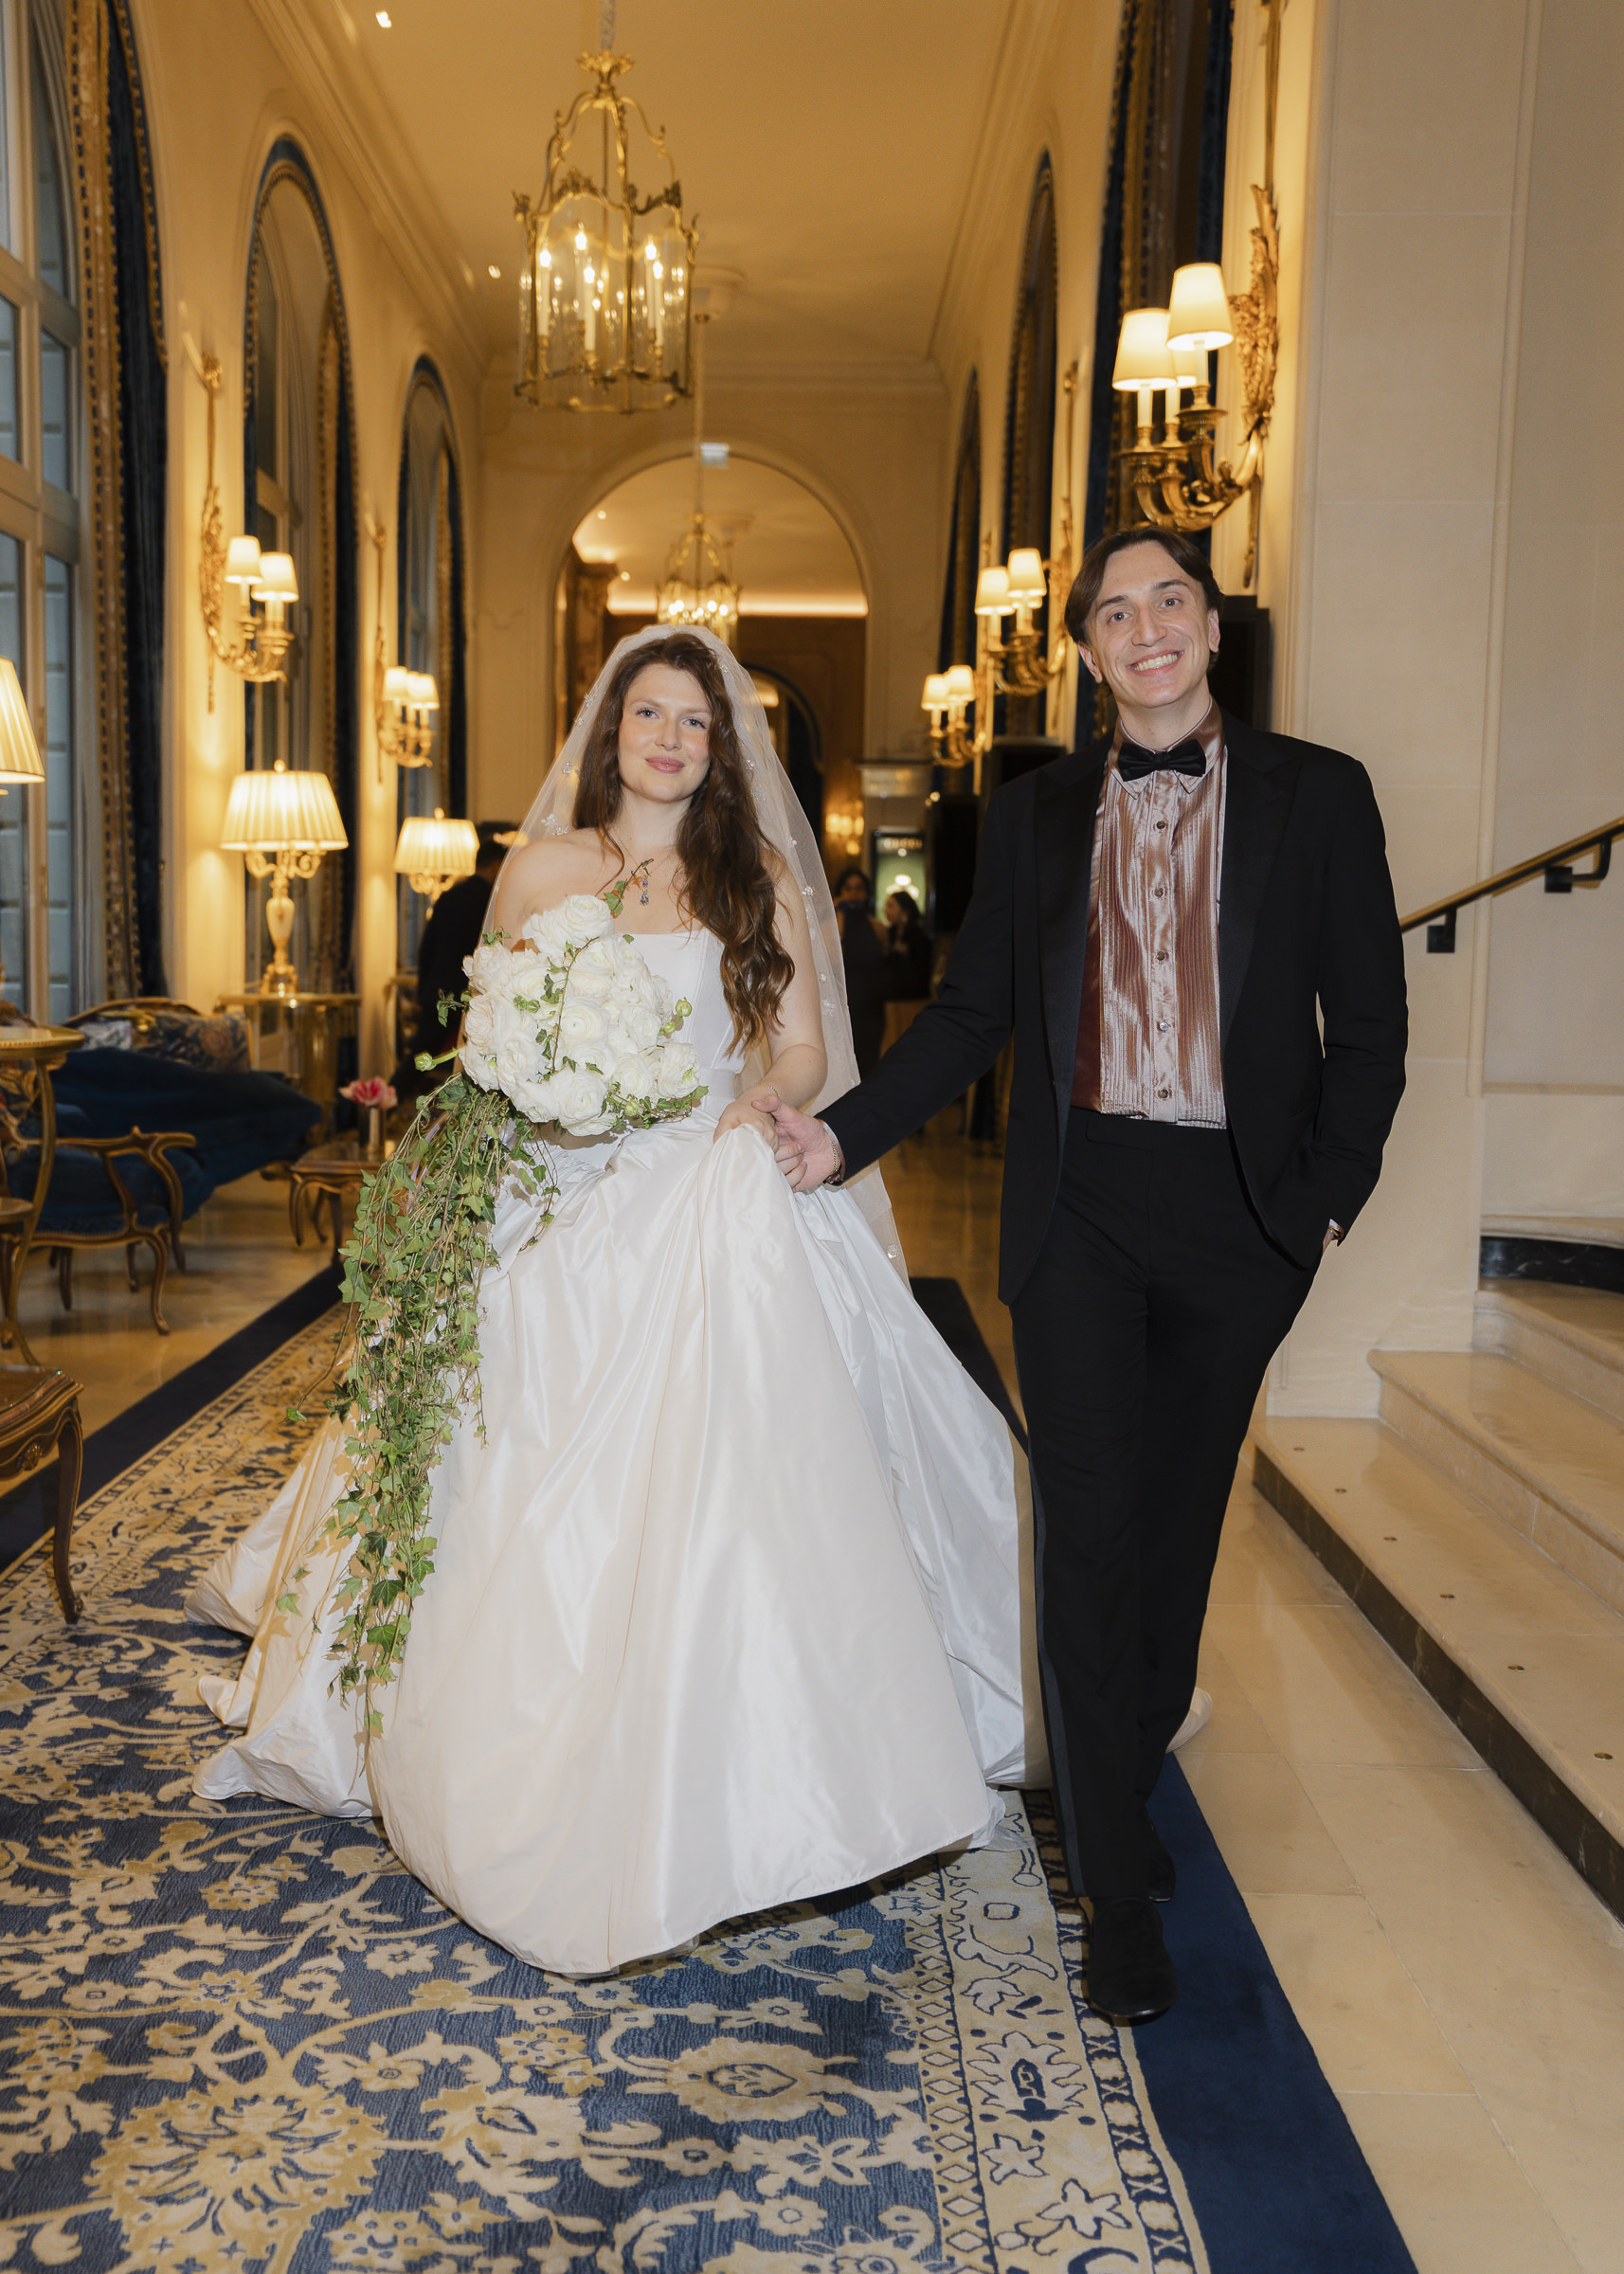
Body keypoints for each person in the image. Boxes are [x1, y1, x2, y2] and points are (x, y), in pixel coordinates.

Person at [187, 627, 1039, 1977]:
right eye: (651, 714)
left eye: (696, 725)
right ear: (610, 730)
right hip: (559, 1189)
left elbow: (805, 1040)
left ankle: (768, 1739)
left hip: (705, 1171)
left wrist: (772, 1099)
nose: (670, 740)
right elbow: (487, 1044)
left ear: (719, 749)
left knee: (751, 1365)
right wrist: (533, 1099)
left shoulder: (753, 871)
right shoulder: (546, 868)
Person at [768, 529, 1407, 2026]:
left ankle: (1116, 1770)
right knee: (1085, 1522)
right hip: (1081, 1213)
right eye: (1112, 613)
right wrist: (839, 1138)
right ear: (1086, 650)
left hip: (1240, 1213)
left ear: (1209, 628)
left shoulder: (1321, 794)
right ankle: (1114, 1887)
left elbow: (1368, 1026)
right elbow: (971, 1011)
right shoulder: (1039, 809)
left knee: (1181, 1527)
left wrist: (1313, 1211)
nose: (1144, 631)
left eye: (1166, 601)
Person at [395, 821, 516, 1096]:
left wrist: (423, 990)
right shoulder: (491, 901)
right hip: (465, 994)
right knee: (462, 1062)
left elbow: (426, 948)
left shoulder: (449, 896)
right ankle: (389, 1099)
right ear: (497, 866)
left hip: (436, 989)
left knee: (420, 1057)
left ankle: (389, 1099)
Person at [833, 865, 888, 1075]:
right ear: (841, 891)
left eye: (859, 888)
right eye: (849, 888)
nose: (854, 893)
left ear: (866, 893)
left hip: (872, 1005)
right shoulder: (835, 922)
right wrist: (837, 909)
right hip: (845, 1002)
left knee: (869, 1061)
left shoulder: (877, 927)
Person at [882, 889, 933, 1001]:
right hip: (890, 999)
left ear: (905, 911)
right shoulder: (888, 934)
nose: (886, 910)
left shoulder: (919, 938)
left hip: (912, 1001)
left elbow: (921, 975)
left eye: (891, 906)